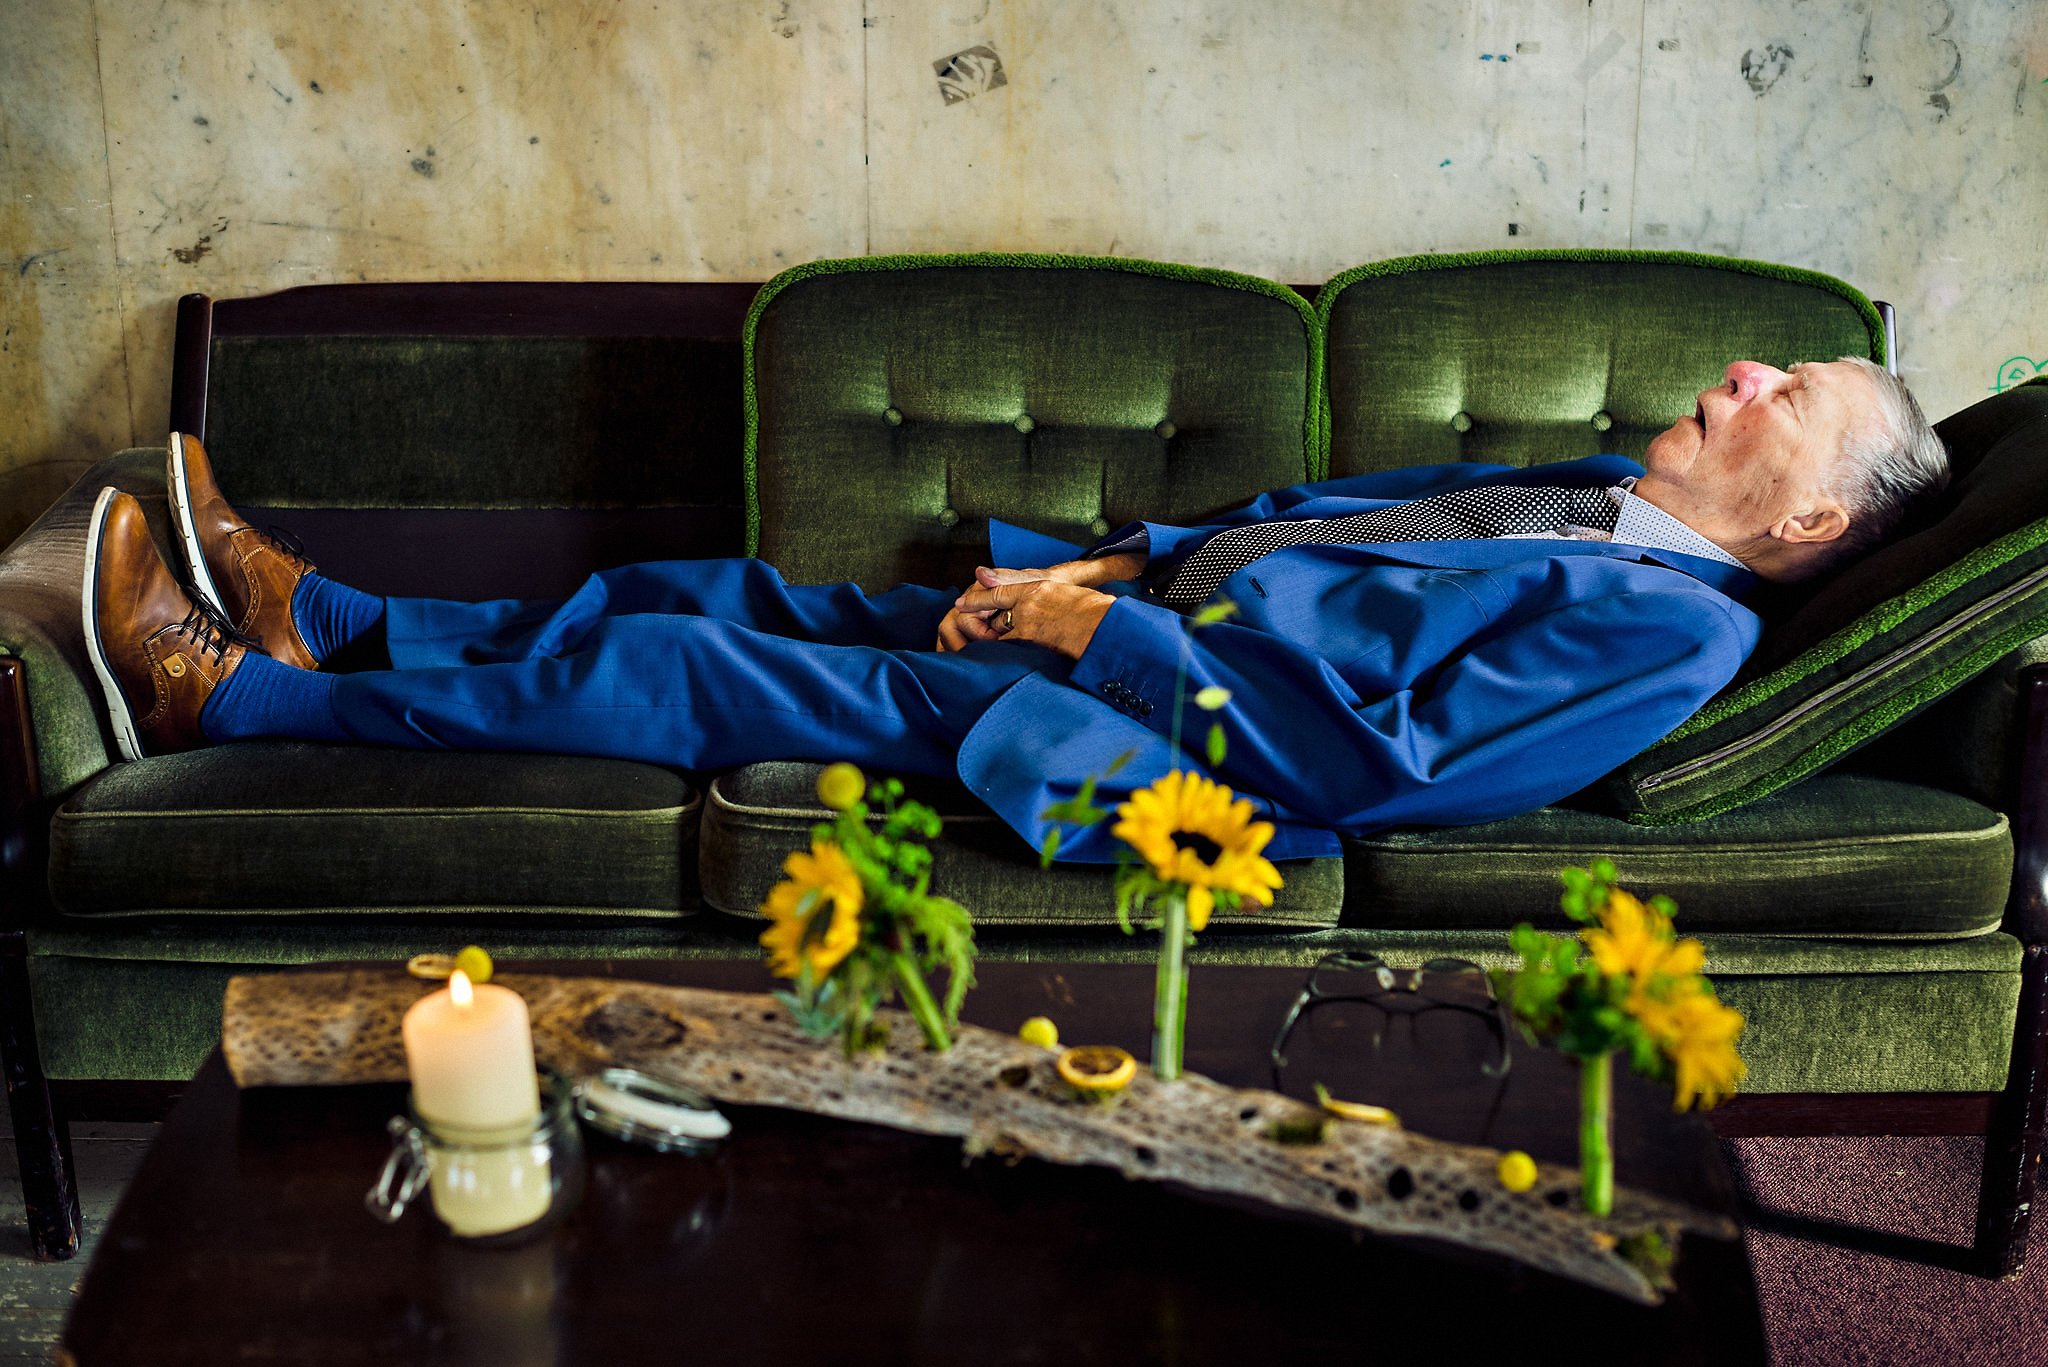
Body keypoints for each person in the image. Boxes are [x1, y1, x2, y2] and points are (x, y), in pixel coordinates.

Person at [82, 358, 1947, 863]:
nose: (1744, 368)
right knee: (718, 585)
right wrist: (1099, 569)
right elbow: (1284, 534)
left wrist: (1081, 643)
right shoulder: (1604, 506)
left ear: (1797, 514)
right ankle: (329, 612)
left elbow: (1367, 768)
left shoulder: (1679, 627)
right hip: (1134, 629)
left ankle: (227, 704)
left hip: (1164, 749)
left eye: (1793, 392)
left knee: (690, 667)